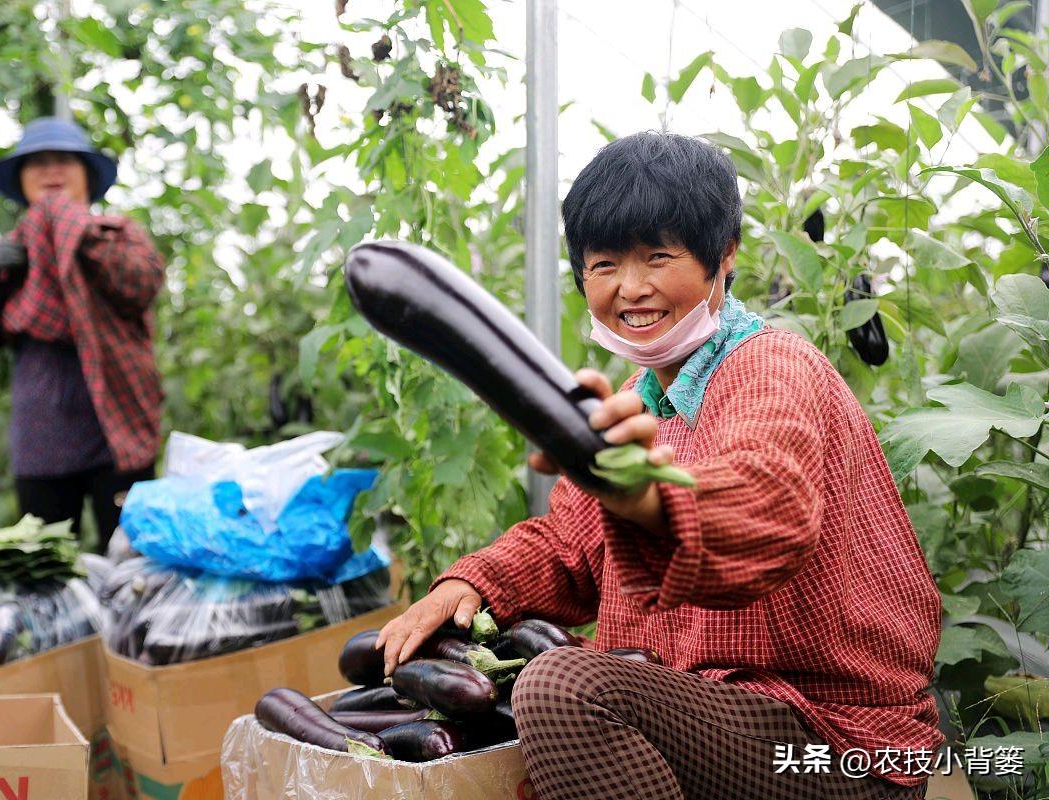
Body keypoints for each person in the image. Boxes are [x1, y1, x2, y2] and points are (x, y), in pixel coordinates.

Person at [375, 132, 941, 800]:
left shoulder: (773, 368)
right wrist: (475, 583)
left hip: (835, 741)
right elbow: (570, 545)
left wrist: (650, 496)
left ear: (723, 257)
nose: (631, 288)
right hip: (723, 720)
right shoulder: (640, 399)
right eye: (605, 263)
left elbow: (767, 500)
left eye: (658, 257)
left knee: (563, 686)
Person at [0, 117, 165, 553]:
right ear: (22, 181)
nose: (51, 171)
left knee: (136, 561)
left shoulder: (117, 235)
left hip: (117, 428)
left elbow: (142, 283)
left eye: (64, 160)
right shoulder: (11, 254)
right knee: (47, 567)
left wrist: (79, 234)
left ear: (86, 174)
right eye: (38, 163)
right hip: (42, 436)